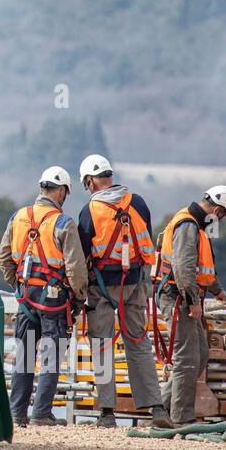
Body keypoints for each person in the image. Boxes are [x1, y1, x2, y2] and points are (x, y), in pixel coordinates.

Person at [76, 154, 171, 428]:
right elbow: (146, 244)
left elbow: (82, 257)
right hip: (134, 286)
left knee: (103, 347)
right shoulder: (137, 202)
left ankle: (107, 413)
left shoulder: (89, 210)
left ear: (91, 181)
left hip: (101, 289)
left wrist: (78, 294)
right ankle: (156, 409)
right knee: (139, 344)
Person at [0, 166, 88, 427]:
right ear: (60, 191)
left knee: (24, 355)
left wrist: (19, 285)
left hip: (25, 299)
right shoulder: (63, 223)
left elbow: (2, 258)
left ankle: (17, 413)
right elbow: (76, 269)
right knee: (51, 355)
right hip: (54, 300)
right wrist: (78, 299)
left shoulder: (19, 217)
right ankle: (41, 414)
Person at [153, 187, 226, 426]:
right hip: (178, 299)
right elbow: (184, 269)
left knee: (199, 355)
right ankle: (181, 418)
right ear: (218, 210)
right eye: (221, 217)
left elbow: (203, 270)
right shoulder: (188, 225)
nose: (219, 222)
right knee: (186, 358)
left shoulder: (196, 227)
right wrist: (193, 302)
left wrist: (218, 291)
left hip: (183, 297)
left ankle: (160, 408)